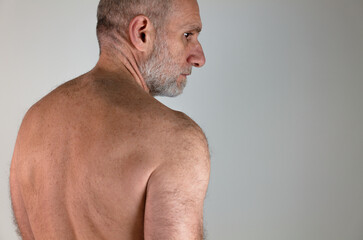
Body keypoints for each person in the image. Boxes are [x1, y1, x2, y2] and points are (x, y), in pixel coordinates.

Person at [9, 0, 210, 239]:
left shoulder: (34, 122)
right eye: (187, 35)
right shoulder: (177, 141)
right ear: (142, 33)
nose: (199, 57)